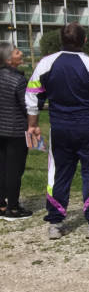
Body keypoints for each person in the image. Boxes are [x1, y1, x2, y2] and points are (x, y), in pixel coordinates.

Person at [26, 23, 89, 239]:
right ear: (85, 41)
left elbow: (32, 95)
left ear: (61, 40)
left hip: (60, 128)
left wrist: (33, 123)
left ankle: (55, 224)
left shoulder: (45, 63)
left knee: (58, 173)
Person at [0, 42, 33, 220]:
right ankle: (13, 207)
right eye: (17, 51)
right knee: (15, 169)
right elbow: (27, 105)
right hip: (16, 130)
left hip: (1, 129)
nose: (20, 53)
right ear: (9, 59)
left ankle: (1, 204)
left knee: (2, 167)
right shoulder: (18, 80)